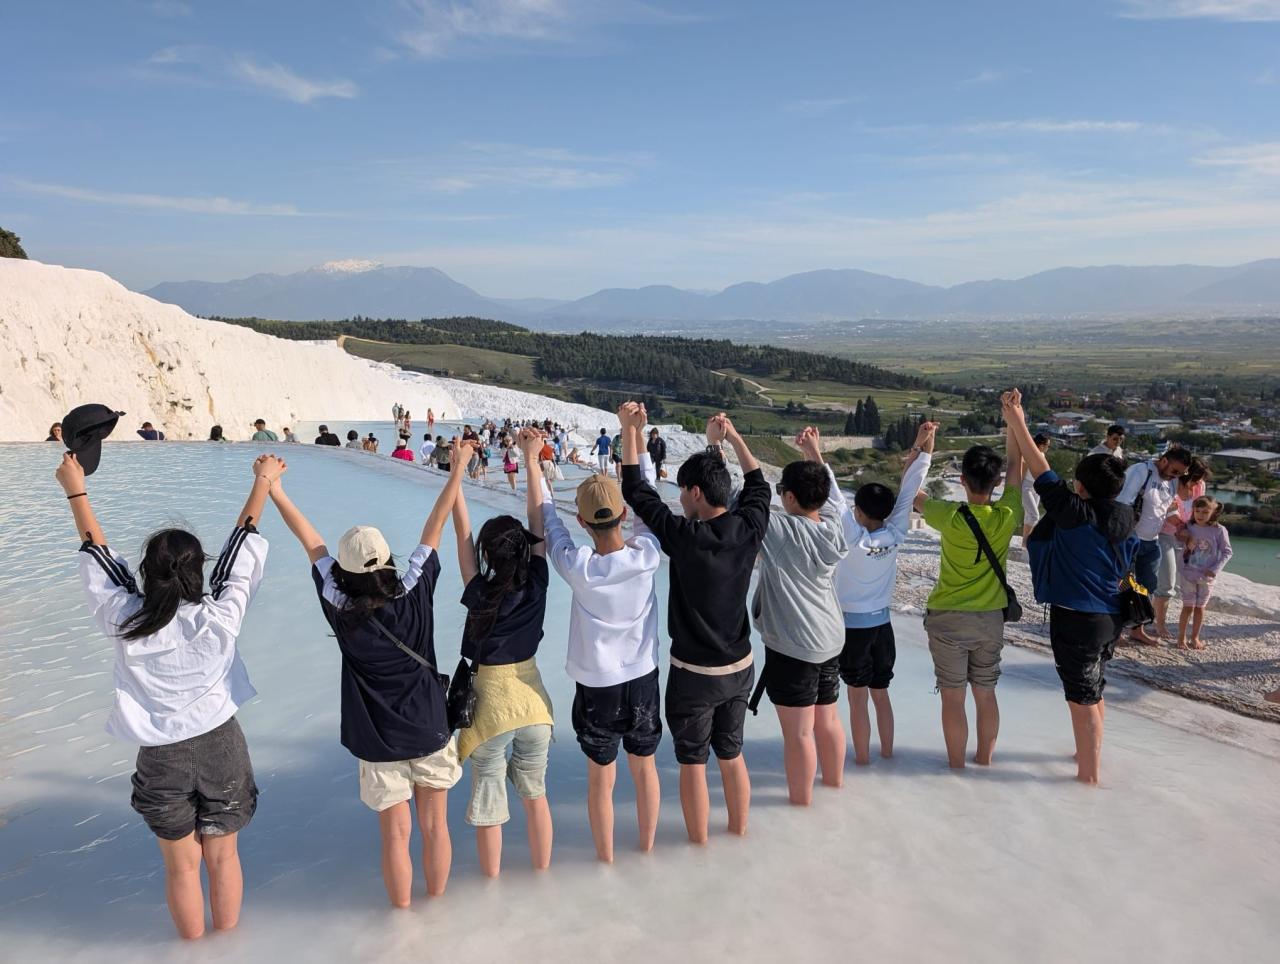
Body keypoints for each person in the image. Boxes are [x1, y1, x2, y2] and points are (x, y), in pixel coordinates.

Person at [59, 449, 279, 939]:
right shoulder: (220, 617)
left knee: (181, 868)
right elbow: (241, 550)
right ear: (197, 571)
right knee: (224, 858)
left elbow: (97, 557)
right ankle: (227, 948)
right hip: (221, 745)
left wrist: (76, 491)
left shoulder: (126, 621)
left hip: (161, 755)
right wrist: (263, 481)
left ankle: (192, 949)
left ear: (146, 573)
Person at [268, 443, 470, 907]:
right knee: (435, 827)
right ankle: (437, 910)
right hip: (429, 727)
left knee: (395, 837)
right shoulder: (414, 590)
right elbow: (435, 525)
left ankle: (403, 918)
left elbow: (312, 544)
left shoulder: (340, 606)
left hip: (378, 741)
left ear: (345, 572)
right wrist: (457, 469)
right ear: (388, 560)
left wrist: (275, 490)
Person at [622, 411, 770, 843]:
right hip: (740, 667)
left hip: (694, 676)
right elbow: (758, 484)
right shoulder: (748, 527)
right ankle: (739, 832)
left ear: (697, 493)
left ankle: (699, 846)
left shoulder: (684, 537)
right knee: (731, 755)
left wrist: (629, 431)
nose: (680, 498)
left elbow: (635, 490)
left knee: (692, 764)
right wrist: (730, 437)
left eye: (683, 491)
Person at [527, 413, 662, 861]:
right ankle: (646, 849)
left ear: (583, 523)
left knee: (601, 781)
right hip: (642, 678)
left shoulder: (579, 568)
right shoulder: (647, 555)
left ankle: (605, 858)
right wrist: (633, 433)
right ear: (623, 514)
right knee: (645, 770)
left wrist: (533, 463)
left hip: (597, 686)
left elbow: (550, 523)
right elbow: (647, 498)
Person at [1003, 390, 1137, 784]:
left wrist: (1017, 419)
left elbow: (1040, 468)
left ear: (1080, 485)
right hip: (1111, 617)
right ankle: (1088, 756)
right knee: (1095, 689)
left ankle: (1088, 778)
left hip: (1077, 619)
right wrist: (1016, 421)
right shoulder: (1125, 516)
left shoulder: (1075, 514)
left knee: (1081, 698)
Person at [450, 440, 555, 877]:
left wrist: (458, 471)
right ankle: (542, 874)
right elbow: (537, 520)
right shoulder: (538, 583)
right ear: (524, 550)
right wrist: (531, 461)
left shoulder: (480, 591)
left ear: (487, 555)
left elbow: (462, 533)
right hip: (533, 705)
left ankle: (491, 885)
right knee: (536, 796)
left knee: (489, 801)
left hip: (490, 709)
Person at [815, 420, 935, 765]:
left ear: (859, 512)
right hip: (883, 628)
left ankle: (863, 761)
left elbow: (833, 495)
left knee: (857, 699)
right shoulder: (896, 532)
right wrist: (925, 443)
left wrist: (815, 452)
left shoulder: (853, 538)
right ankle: (888, 755)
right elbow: (911, 487)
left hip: (852, 631)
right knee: (881, 695)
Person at [914, 415, 1023, 769]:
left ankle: (956, 769)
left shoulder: (949, 516)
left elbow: (910, 491)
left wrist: (923, 445)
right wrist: (1014, 422)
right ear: (998, 482)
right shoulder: (1007, 514)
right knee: (986, 693)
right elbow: (1017, 466)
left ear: (961, 480)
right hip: (990, 619)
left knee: (952, 699)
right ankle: (985, 762)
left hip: (947, 619)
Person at [752, 426, 849, 805]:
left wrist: (725, 444)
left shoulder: (779, 531)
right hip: (831, 637)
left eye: (782, 492)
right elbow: (833, 497)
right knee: (828, 720)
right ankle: (836, 788)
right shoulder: (834, 528)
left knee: (799, 733)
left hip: (795, 646)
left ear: (790, 497)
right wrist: (814, 452)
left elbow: (741, 501)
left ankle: (801, 806)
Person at [1116, 445, 1192, 644]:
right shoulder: (1141, 471)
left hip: (1152, 541)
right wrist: (1124, 536)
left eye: (1181, 473)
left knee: (1147, 586)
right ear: (1164, 460)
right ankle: (1115, 630)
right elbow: (1123, 502)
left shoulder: (1172, 481)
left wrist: (1181, 526)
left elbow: (1167, 507)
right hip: (1130, 538)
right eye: (1175, 470)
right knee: (1123, 584)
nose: (1176, 476)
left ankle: (1137, 629)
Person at [1154, 457, 1211, 639]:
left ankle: (1152, 617)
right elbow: (1169, 513)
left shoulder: (1199, 486)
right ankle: (1159, 624)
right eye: (1195, 479)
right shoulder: (1171, 483)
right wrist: (1183, 529)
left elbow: (1200, 512)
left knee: (1185, 583)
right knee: (1167, 582)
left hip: (1186, 538)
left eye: (1199, 480)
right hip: (1164, 534)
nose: (1197, 484)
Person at [1177, 496, 1233, 650]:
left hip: (1206, 577)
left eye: (1205, 512)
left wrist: (1215, 569)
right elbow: (1178, 541)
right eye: (1197, 511)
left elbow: (1227, 552)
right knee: (1187, 607)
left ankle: (1195, 638)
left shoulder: (1219, 530)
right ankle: (1181, 638)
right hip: (1188, 574)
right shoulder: (1189, 526)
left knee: (1200, 608)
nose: (1200, 515)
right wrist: (1183, 536)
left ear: (1214, 513)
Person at [1021, 433, 1052, 541]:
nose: (1048, 448)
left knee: (1028, 515)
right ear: (1041, 445)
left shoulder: (1042, 455)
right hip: (1026, 487)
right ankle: (1026, 542)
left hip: (1036, 487)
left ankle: (1025, 542)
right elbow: (1022, 471)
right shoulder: (1029, 455)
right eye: (1048, 445)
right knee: (1034, 515)